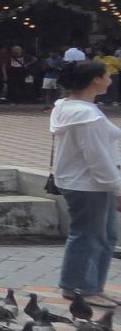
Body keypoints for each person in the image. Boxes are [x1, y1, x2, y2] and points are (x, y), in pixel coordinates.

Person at [49, 60, 121, 307]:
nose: (110, 80)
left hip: (86, 181)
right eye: (107, 76)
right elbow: (97, 157)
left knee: (105, 235)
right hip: (88, 183)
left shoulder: (70, 106)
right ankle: (79, 286)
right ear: (95, 81)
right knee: (88, 235)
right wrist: (117, 185)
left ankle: (91, 286)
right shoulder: (86, 115)